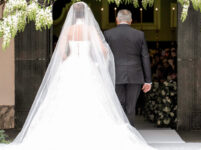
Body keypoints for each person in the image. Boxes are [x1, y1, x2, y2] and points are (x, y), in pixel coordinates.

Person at [0, 2, 155, 150]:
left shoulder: (68, 30)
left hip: (71, 65)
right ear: (87, 14)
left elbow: (60, 51)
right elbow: (102, 50)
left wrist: (68, 58)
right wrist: (97, 59)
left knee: (65, 98)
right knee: (93, 98)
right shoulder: (90, 30)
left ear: (72, 15)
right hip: (88, 66)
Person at [104, 9, 152, 125]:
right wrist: (148, 80)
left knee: (119, 106)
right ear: (130, 21)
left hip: (116, 74)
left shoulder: (108, 34)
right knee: (131, 107)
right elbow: (145, 57)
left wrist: (104, 75)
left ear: (117, 20)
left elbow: (104, 57)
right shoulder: (139, 34)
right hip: (135, 75)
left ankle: (121, 136)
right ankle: (131, 135)